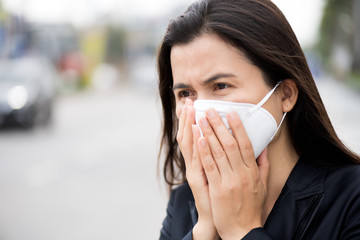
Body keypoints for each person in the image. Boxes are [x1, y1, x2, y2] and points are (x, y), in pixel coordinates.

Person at [157, 0, 360, 239]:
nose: (201, 110)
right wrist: (204, 230)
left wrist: (241, 230)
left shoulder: (350, 198)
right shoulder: (184, 202)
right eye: (185, 93)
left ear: (286, 94)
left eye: (221, 86)